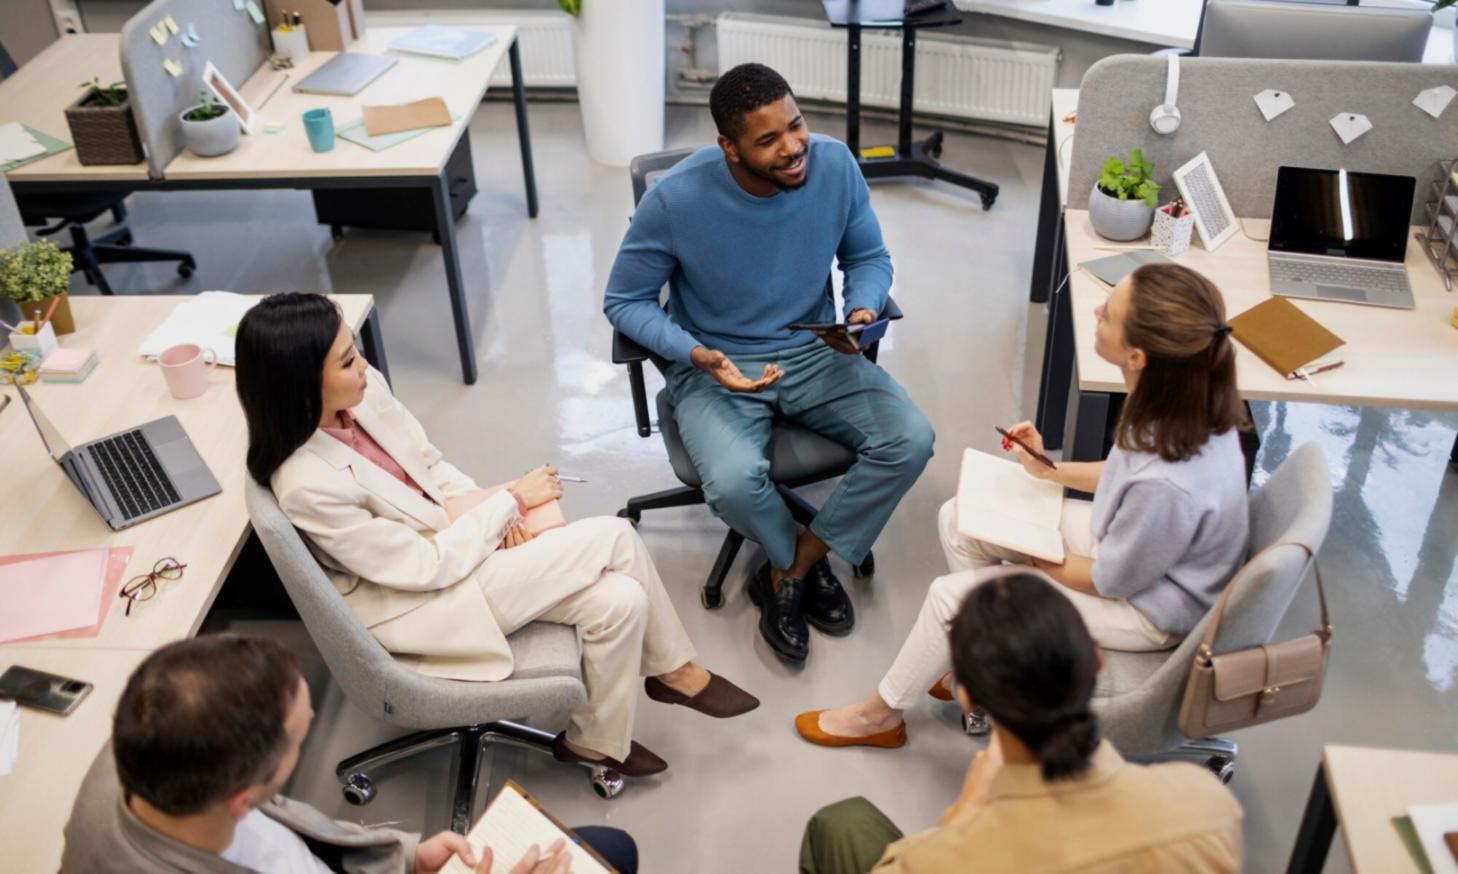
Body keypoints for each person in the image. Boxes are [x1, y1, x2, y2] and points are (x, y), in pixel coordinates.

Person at [235, 293, 758, 778]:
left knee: (620, 600)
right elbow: (421, 569)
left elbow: (432, 469)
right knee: (616, 538)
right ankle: (675, 672)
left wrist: (492, 515)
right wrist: (509, 504)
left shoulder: (364, 398)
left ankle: (594, 742)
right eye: (348, 362)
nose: (366, 366)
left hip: (450, 548)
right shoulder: (307, 484)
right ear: (301, 383)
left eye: (357, 350)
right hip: (418, 601)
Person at [797, 262, 1249, 747]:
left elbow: (1112, 579)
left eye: (1110, 315)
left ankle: (879, 717)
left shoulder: (1170, 484)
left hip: (1146, 608)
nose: (1096, 310)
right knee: (959, 520)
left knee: (953, 599)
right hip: (1133, 550)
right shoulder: (1181, 400)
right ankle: (977, 669)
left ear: (1137, 355)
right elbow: (1126, 475)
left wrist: (1033, 557)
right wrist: (1048, 471)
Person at [602, 62, 935, 662]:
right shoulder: (675, 200)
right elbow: (623, 301)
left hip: (812, 350)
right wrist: (696, 354)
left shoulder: (834, 166)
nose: (793, 148)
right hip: (719, 365)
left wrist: (859, 311)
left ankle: (794, 567)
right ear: (728, 147)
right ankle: (793, 562)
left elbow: (869, 258)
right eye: (768, 140)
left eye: (796, 125)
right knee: (730, 483)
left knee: (910, 439)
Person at [61, 634, 640, 874]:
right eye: (298, 738)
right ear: (243, 799)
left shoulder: (141, 749)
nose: (314, 720)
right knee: (611, 852)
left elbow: (292, 833)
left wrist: (408, 858)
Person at [799, 571, 1244, 874]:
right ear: (1097, 659)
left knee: (840, 821)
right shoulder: (1210, 807)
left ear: (966, 694)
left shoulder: (932, 860)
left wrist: (963, 816)